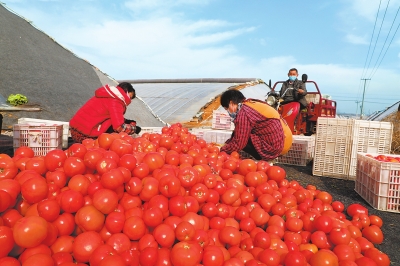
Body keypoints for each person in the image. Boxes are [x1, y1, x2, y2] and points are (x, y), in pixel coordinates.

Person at [219, 89, 288, 161]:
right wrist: (228, 144)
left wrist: (221, 150)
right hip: (277, 143)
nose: (227, 111)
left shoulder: (243, 112)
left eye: (226, 108)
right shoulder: (249, 104)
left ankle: (261, 158)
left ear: (231, 103)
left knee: (242, 137)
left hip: (270, 149)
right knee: (239, 132)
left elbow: (239, 143)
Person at [70, 82, 141, 143]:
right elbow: (119, 127)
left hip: (76, 130)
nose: (130, 101)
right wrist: (134, 129)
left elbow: (111, 116)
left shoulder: (109, 96)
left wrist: (126, 121)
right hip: (85, 134)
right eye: (130, 97)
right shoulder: (116, 101)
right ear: (126, 93)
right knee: (114, 137)